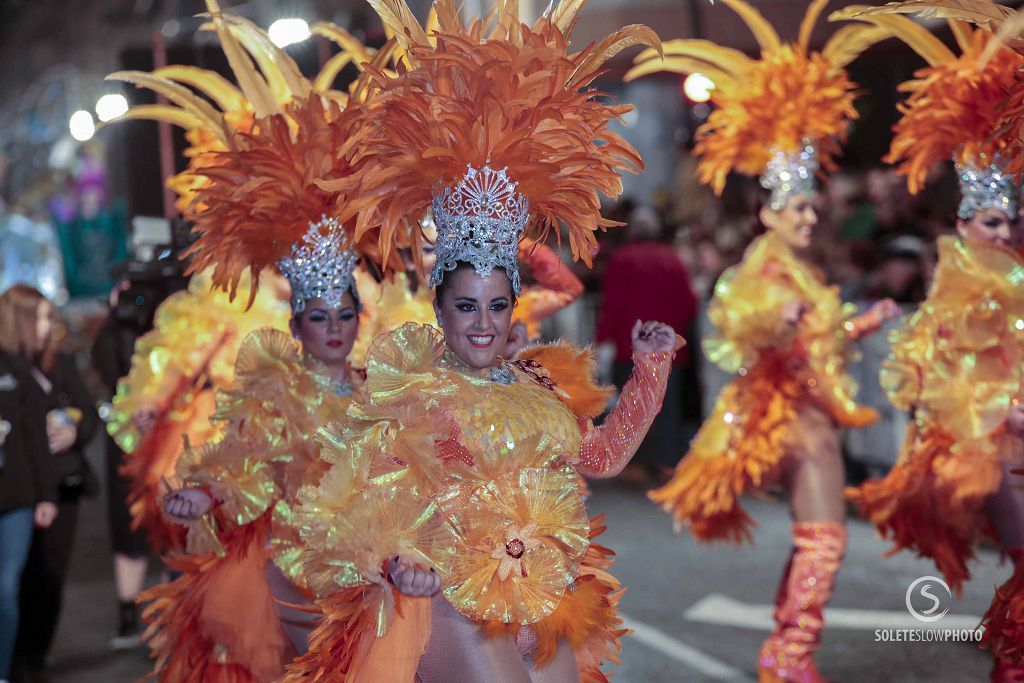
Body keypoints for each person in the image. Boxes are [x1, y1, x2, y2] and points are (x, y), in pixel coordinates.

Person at [286, 3, 677, 681]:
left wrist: (652, 368)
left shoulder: (537, 380)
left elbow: (605, 456)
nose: (484, 323)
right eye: (465, 306)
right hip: (457, 605)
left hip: (548, 604)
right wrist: (400, 556)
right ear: (438, 307)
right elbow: (356, 507)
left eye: (498, 304)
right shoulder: (411, 391)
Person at [628, 4, 904, 680]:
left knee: (821, 539)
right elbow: (736, 318)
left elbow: (815, 332)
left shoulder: (801, 268)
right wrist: (772, 320)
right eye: (796, 206)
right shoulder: (766, 265)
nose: (808, 216)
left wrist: (857, 324)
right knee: (826, 538)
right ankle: (789, 654)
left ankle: (788, 650)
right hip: (791, 422)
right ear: (767, 210)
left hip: (807, 415)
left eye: (812, 205)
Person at [126, 7, 398, 680]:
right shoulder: (269, 387)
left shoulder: (387, 389)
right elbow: (235, 464)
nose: (334, 327)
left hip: (360, 584)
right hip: (283, 579)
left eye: (345, 313)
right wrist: (200, 495)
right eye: (319, 316)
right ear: (297, 323)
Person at [830, 11, 1024, 680]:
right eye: (993, 220)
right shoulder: (957, 286)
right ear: (968, 221)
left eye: (1010, 220)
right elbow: (932, 375)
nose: (1003, 232)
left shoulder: (1012, 278)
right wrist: (1006, 412)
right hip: (986, 444)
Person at [0, 286, 99, 680]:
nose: (49, 327)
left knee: (49, 576)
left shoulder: (61, 364)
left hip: (59, 483)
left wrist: (73, 433)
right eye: (41, 318)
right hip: (19, 486)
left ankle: (30, 660)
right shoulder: (9, 367)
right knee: (12, 581)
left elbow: (89, 418)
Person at [596, 205, 697, 478]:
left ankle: (633, 463)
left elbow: (612, 304)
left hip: (628, 347)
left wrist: (603, 339)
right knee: (667, 406)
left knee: (631, 402)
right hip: (668, 349)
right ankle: (666, 461)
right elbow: (689, 302)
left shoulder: (622, 258)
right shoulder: (673, 259)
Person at [0, 301, 55, 683]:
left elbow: (37, 437)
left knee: (6, 587)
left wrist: (46, 494)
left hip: (16, 497)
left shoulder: (14, 369)